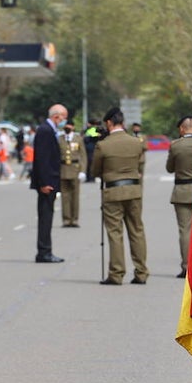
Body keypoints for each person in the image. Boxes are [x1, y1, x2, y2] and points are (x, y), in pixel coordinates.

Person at [91, 107, 148, 284]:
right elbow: (140, 166)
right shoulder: (136, 142)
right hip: (134, 190)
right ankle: (141, 272)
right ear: (123, 123)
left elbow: (95, 170)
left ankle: (116, 274)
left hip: (113, 191)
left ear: (109, 123)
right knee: (137, 231)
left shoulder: (103, 145)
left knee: (115, 233)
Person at [166, 115, 192, 278]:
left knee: (185, 231)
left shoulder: (176, 146)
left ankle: (187, 266)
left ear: (182, 129)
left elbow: (170, 168)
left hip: (182, 191)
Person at [30, 104, 65, 263]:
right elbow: (42, 159)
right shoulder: (45, 130)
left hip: (49, 180)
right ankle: (44, 252)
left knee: (48, 216)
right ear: (56, 116)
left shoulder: (49, 130)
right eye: (64, 117)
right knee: (45, 217)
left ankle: (46, 250)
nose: (64, 120)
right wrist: (44, 183)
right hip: (47, 183)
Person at [58, 122, 86, 227]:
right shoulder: (60, 139)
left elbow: (83, 156)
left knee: (75, 196)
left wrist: (83, 171)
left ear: (73, 127)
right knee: (65, 196)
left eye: (69, 126)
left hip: (75, 169)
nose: (67, 128)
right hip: (63, 169)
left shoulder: (78, 139)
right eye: (66, 126)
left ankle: (75, 219)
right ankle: (66, 219)